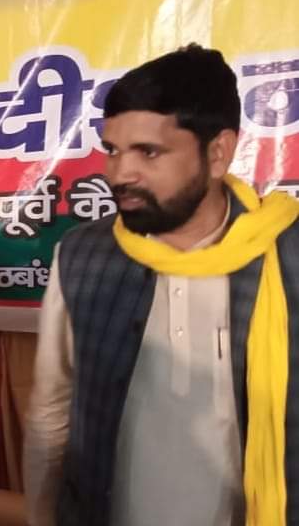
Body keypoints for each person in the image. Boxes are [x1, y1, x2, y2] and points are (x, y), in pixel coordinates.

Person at [24, 44, 299, 526]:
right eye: (113, 151)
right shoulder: (83, 256)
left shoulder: (288, 255)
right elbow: (52, 411)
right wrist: (41, 515)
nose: (120, 173)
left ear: (218, 153)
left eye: (148, 152)